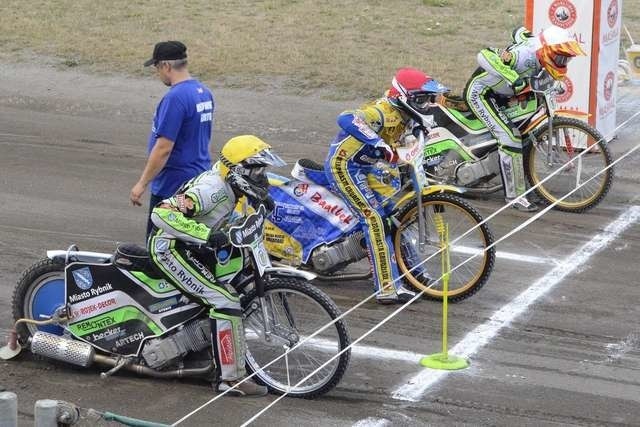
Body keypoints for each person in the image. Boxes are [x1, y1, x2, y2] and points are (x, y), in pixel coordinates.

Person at [148, 135, 285, 396]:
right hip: (172, 249)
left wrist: (261, 201)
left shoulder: (231, 183)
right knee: (226, 301)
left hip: (197, 248)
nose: (261, 177)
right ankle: (230, 379)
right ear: (238, 171)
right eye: (256, 171)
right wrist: (206, 235)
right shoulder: (210, 190)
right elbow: (162, 212)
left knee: (233, 283)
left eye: (262, 171)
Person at [324, 67, 441, 304]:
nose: (427, 105)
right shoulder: (380, 112)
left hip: (370, 167)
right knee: (375, 220)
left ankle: (415, 274)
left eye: (429, 99)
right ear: (404, 98)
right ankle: (387, 288)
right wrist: (378, 143)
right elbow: (346, 117)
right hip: (345, 166)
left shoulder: (410, 115)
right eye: (422, 100)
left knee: (396, 216)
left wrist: (418, 131)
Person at [463, 25, 585, 212]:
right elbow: (484, 54)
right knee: (510, 138)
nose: (563, 62)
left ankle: (528, 184)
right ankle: (515, 197)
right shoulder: (523, 55)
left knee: (527, 133)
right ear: (546, 51)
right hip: (482, 93)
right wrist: (513, 77)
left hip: (503, 93)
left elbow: (518, 31)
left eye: (566, 59)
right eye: (560, 58)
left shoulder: (539, 49)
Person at [130, 40, 215, 238]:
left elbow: (164, 148)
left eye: (157, 68)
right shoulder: (204, 93)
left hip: (172, 185)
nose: (157, 73)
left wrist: (142, 184)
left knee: (158, 247)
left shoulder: (175, 98)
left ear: (166, 66)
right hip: (198, 180)